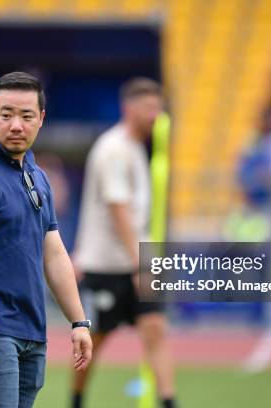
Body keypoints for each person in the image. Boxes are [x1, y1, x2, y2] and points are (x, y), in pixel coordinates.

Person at [0, 71, 93, 408]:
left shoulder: (37, 176)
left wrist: (79, 321)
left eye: (26, 116)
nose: (16, 125)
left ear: (41, 119)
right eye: (6, 114)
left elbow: (53, 253)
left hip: (31, 329)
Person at [72, 78, 177, 408]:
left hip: (137, 261)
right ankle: (75, 400)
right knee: (93, 343)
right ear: (128, 109)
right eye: (148, 108)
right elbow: (118, 210)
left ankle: (169, 401)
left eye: (158, 108)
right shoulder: (113, 149)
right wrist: (138, 263)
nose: (155, 115)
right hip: (106, 265)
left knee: (156, 330)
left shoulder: (138, 148)